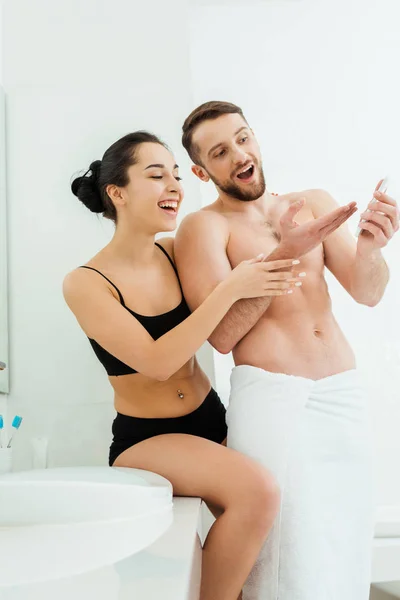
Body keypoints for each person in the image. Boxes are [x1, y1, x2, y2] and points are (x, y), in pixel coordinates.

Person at [63, 131, 355, 600]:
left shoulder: (176, 250)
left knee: (269, 542)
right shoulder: (86, 282)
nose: (174, 185)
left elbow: (234, 300)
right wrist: (231, 289)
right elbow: (159, 362)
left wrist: (283, 233)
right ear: (116, 193)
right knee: (257, 492)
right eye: (156, 175)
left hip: (211, 415)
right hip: (149, 437)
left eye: (177, 174)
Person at [175, 101, 399, 600]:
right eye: (219, 151)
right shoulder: (204, 228)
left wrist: (372, 247)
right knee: (286, 557)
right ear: (200, 170)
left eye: (243, 138)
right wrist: (285, 254)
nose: (238, 153)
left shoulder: (312, 202)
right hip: (275, 402)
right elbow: (223, 335)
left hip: (343, 395)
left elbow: (367, 291)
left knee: (345, 540)